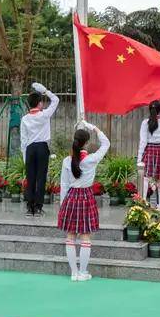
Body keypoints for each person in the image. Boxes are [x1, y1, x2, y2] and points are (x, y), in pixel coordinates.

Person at [58, 121, 110, 282]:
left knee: (70, 236)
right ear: (86, 143)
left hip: (71, 198)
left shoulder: (67, 161)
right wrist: (92, 126)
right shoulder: (91, 159)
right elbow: (106, 143)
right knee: (85, 236)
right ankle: (83, 271)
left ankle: (74, 273)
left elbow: (64, 185)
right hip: (86, 197)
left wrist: (62, 206)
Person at [20, 82, 60, 217]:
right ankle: (38, 208)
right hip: (42, 147)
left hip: (30, 149)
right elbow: (56, 100)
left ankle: (29, 207)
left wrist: (25, 156)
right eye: (41, 102)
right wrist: (45, 90)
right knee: (41, 178)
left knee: (30, 178)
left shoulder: (25, 119)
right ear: (39, 104)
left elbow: (23, 139)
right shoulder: (44, 115)